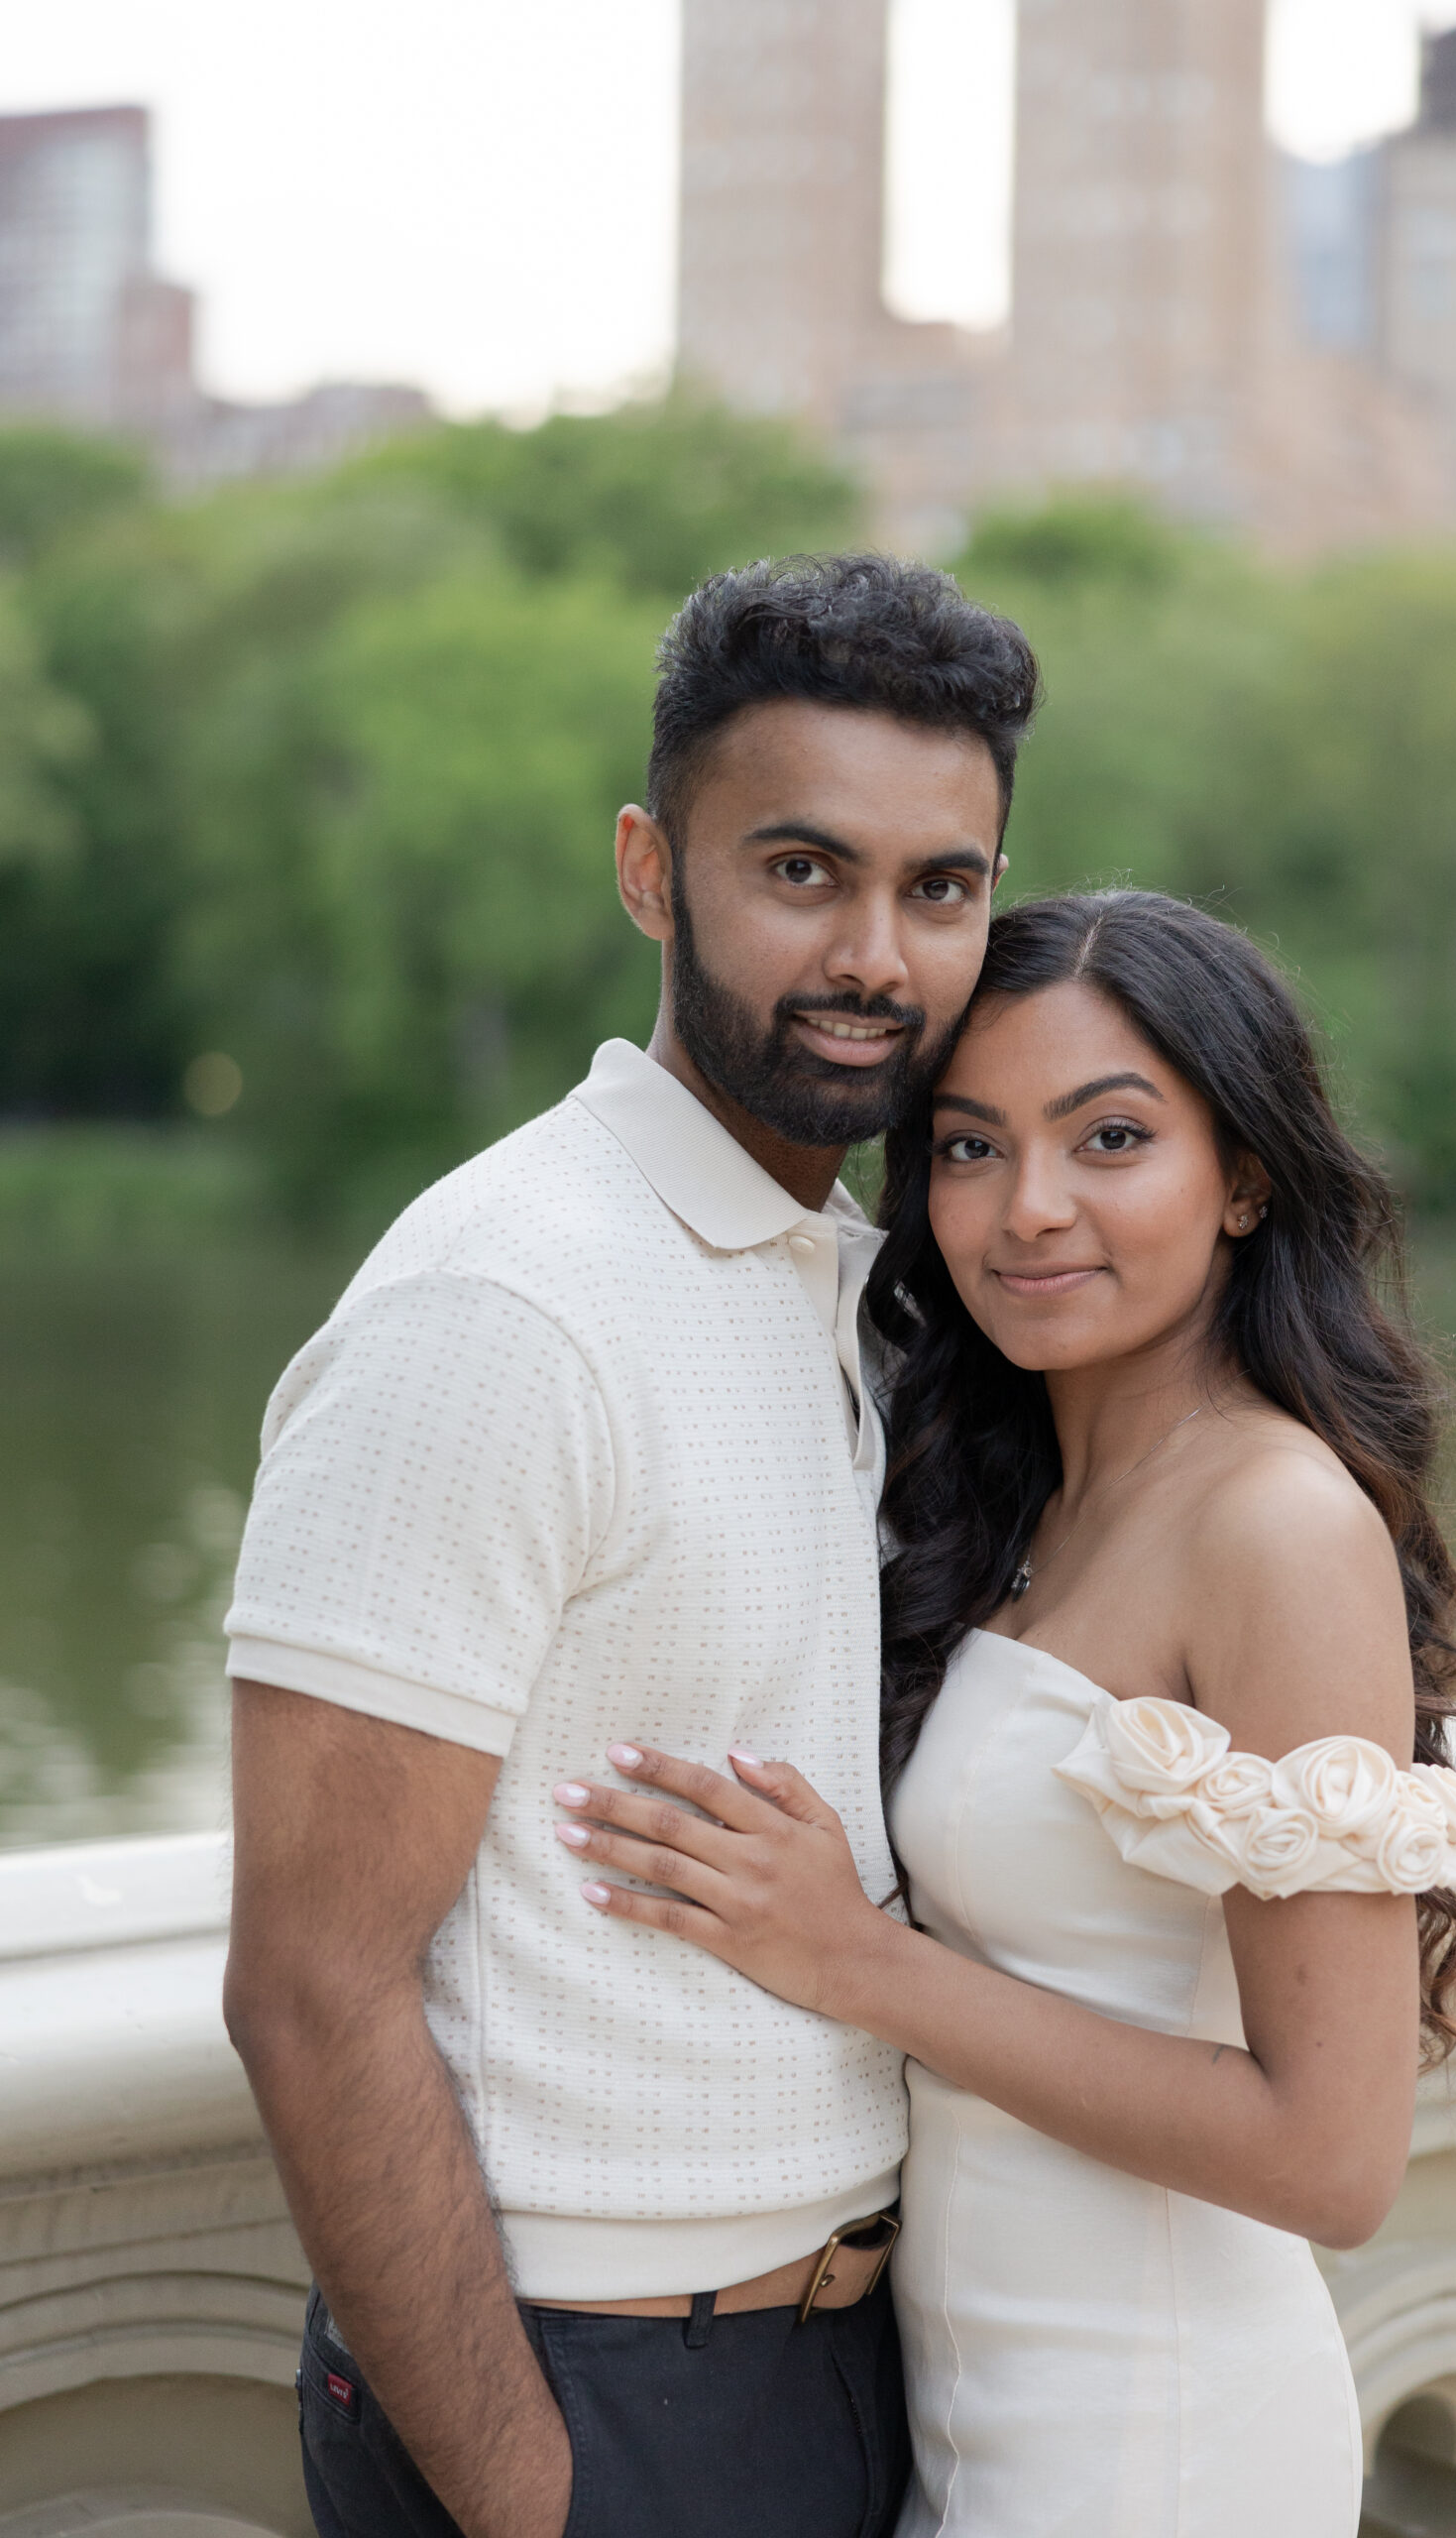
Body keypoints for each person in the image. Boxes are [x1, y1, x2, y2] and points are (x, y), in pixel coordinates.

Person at [220, 552, 1040, 2538]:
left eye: (939, 887)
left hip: (851, 2351)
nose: (874, 951)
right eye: (798, 869)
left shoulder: (859, 1283)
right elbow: (313, 1978)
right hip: (583, 2381)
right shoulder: (505, 1303)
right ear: (647, 869)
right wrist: (526, 2491)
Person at [551, 888, 1456, 2537]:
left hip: (1157, 2431)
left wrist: (854, 1962)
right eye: (972, 1148)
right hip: (976, 2408)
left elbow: (1332, 2157)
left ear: (1247, 1180)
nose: (1028, 1211)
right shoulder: (1025, 1497)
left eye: (1110, 1139)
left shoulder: (1274, 1523)